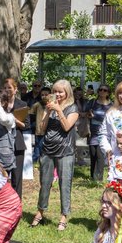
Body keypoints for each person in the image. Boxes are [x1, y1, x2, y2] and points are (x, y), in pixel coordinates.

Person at [32, 79, 79, 232]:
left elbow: (66, 127)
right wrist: (48, 112)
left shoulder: (73, 108)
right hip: (48, 149)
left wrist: (58, 110)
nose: (57, 94)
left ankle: (64, 216)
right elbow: (42, 128)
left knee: (65, 184)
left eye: (61, 91)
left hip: (65, 150)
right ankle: (40, 212)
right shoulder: (50, 106)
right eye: (55, 91)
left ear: (67, 93)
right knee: (44, 183)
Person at [86, 86, 110, 181]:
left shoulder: (111, 105)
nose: (102, 92)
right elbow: (84, 113)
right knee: (93, 155)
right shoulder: (93, 102)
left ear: (108, 93)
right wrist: (89, 115)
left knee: (100, 155)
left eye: (105, 90)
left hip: (104, 133)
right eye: (100, 89)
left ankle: (99, 178)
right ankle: (93, 176)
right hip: (92, 132)